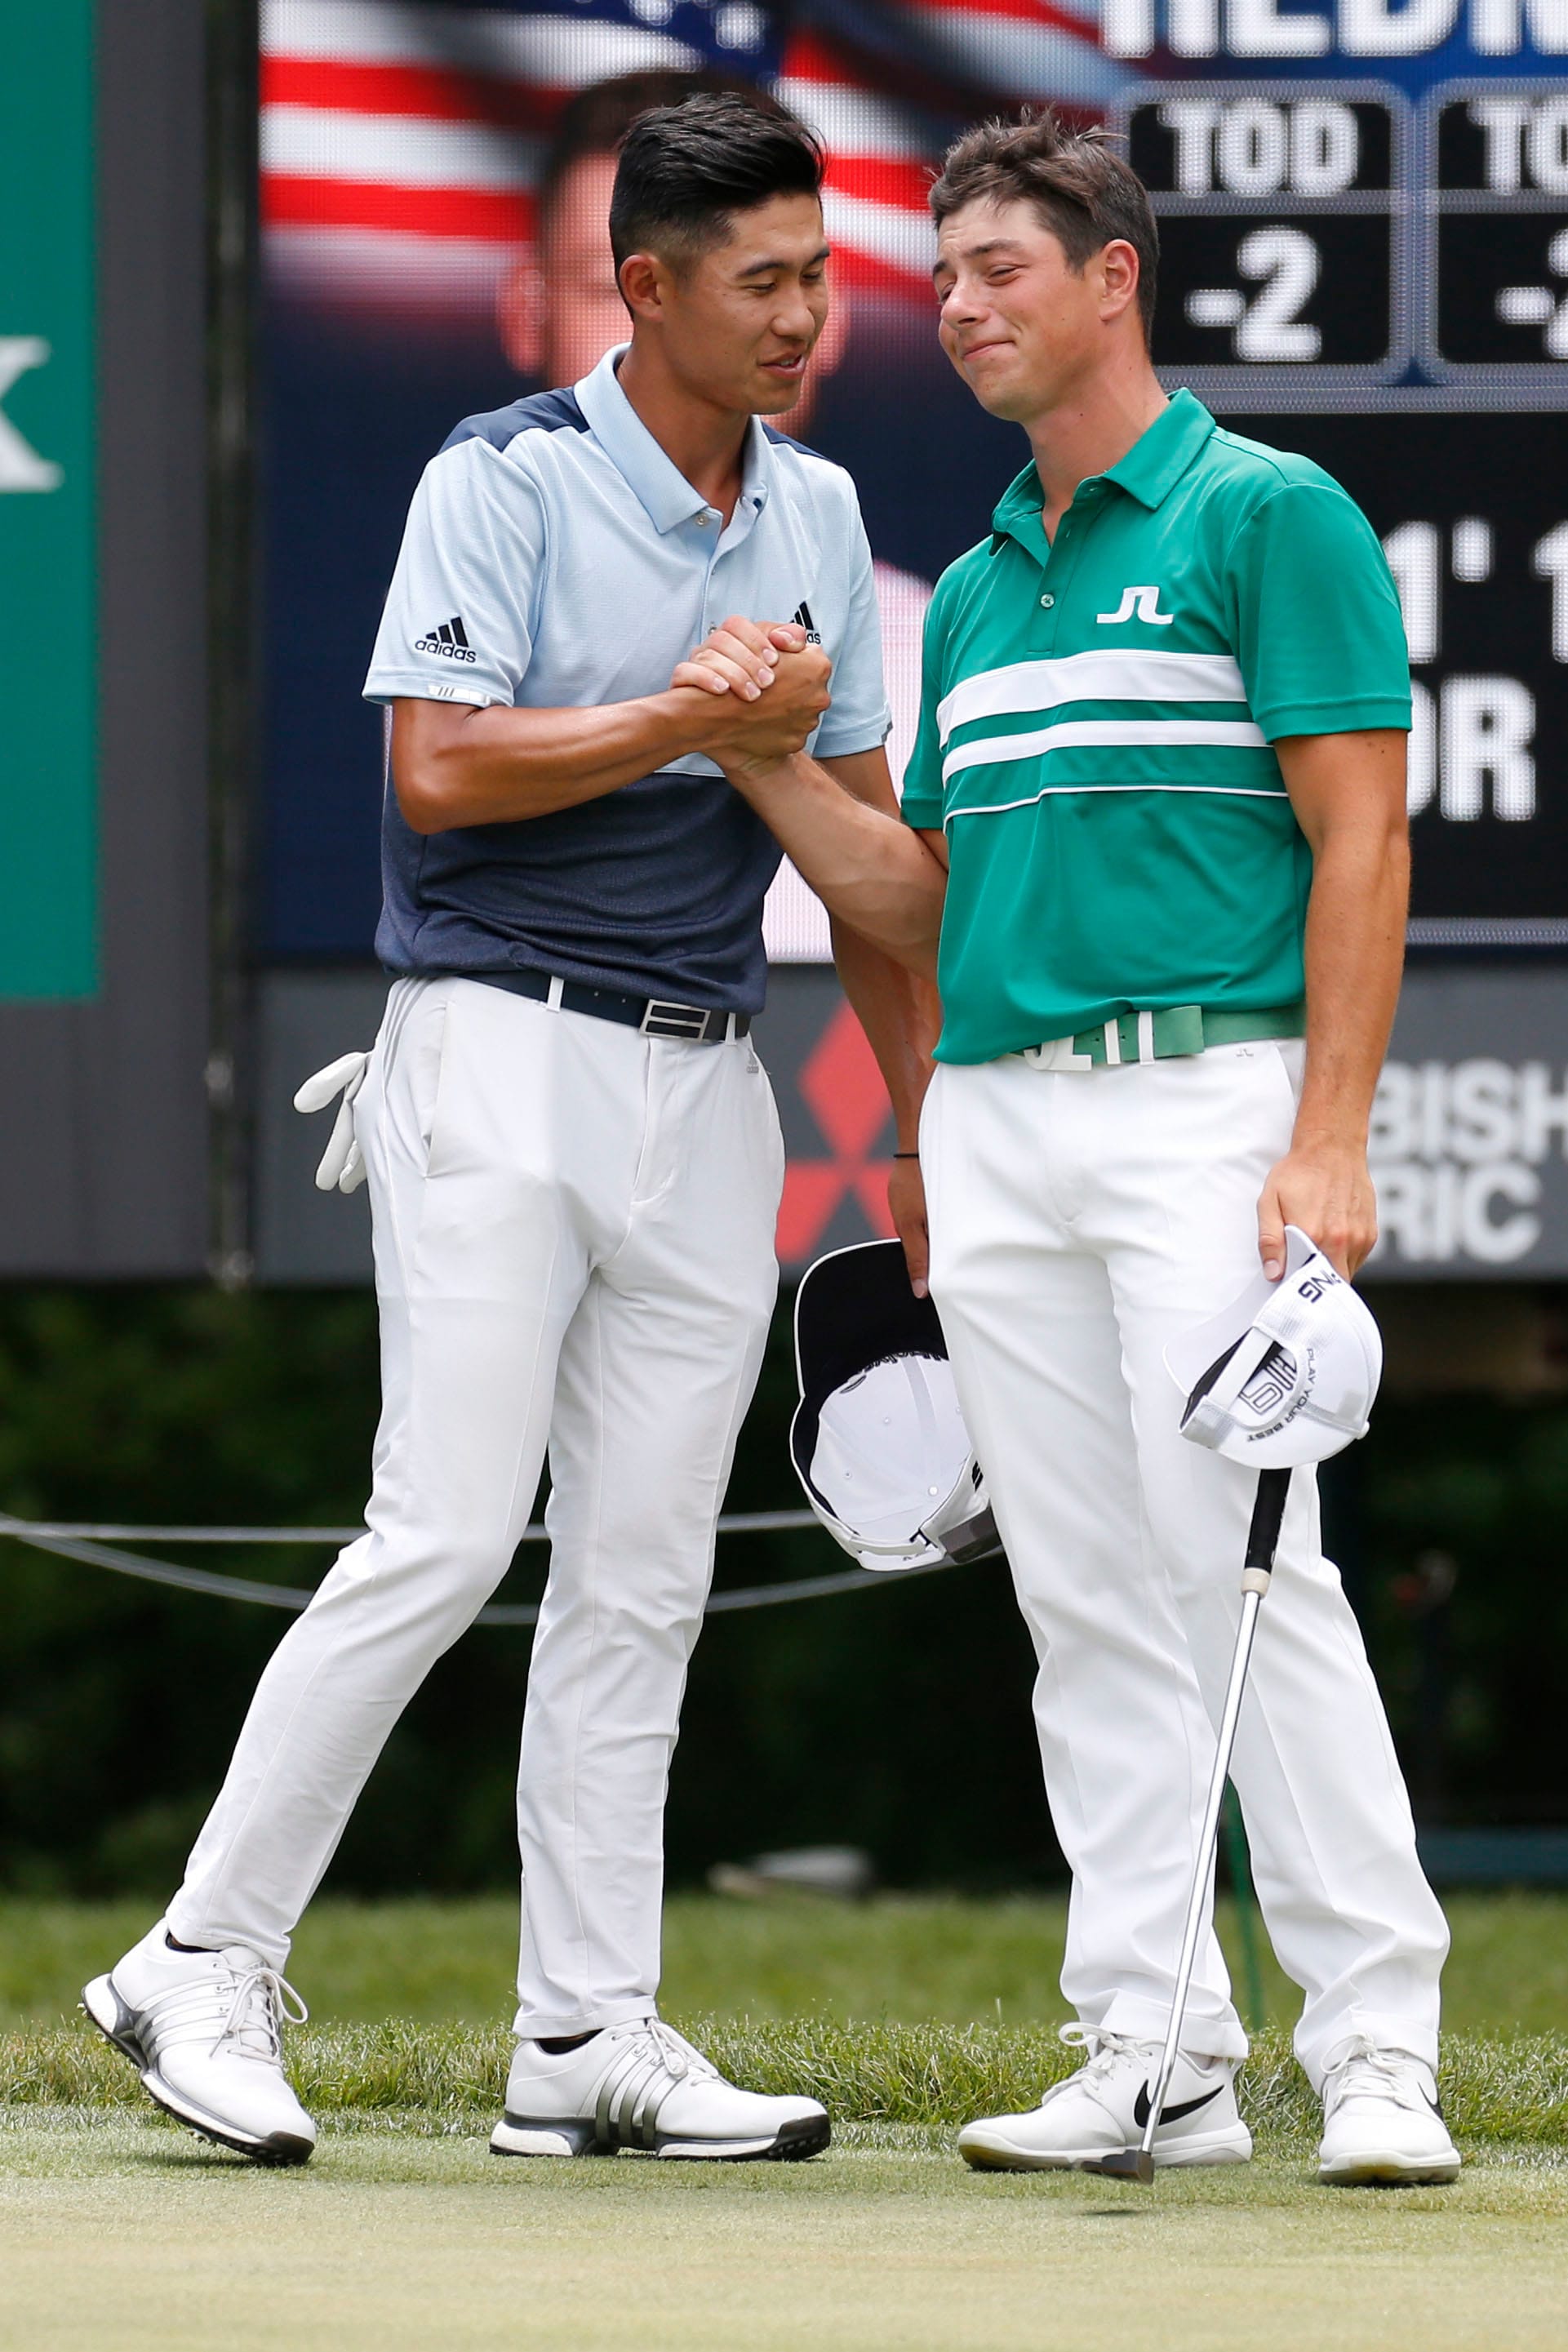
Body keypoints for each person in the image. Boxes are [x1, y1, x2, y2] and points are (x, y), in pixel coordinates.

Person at [84, 93, 932, 2167]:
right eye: (765, 282)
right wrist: (692, 717)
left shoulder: (820, 512)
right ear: (645, 289)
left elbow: (873, 873)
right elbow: (441, 776)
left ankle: (584, 2034)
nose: (805, 317)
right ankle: (197, 1954)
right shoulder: (501, 476)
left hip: (709, 1077)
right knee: (446, 1533)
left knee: (641, 1575)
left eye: (820, 276)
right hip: (492, 1047)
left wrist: (924, 1151)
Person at [677, 109, 1459, 2186]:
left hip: (1206, 1099)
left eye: (997, 269)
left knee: (1250, 1574)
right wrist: (765, 761)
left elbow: (1361, 840)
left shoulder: (1266, 515)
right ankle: (1155, 2048)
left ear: (1114, 277)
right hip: (1000, 1118)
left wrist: (1329, 1135)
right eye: (941, 278)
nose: (956, 309)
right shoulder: (981, 590)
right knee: (1088, 1600)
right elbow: (917, 899)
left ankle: (1376, 2051)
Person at [496, 65, 935, 958]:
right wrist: (711, 721)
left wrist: (756, 749)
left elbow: (908, 939)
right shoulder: (485, 512)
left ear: (829, 316)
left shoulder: (934, 637)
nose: (661, 327)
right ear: (526, 313)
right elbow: (437, 775)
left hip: (739, 1042)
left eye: (782, 280)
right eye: (613, 291)